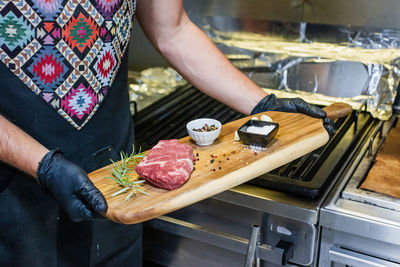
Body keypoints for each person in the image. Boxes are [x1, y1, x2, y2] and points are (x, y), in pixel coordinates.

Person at [0, 0, 332, 266]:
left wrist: (263, 102)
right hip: (13, 198)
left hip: (118, 188)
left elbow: (171, 30)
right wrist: (45, 167)